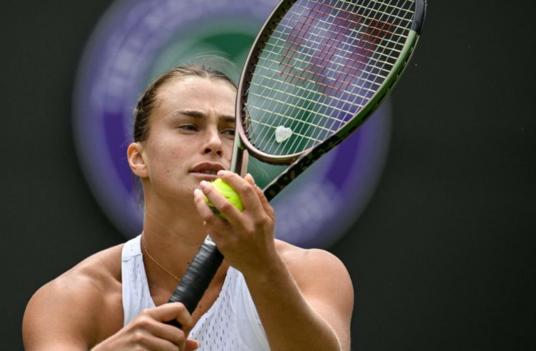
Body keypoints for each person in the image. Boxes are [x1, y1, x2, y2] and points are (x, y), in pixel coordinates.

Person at [22, 65, 354, 351]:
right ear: (139, 159)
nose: (214, 143)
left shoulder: (312, 274)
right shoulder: (69, 300)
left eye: (229, 132)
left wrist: (263, 267)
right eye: (189, 126)